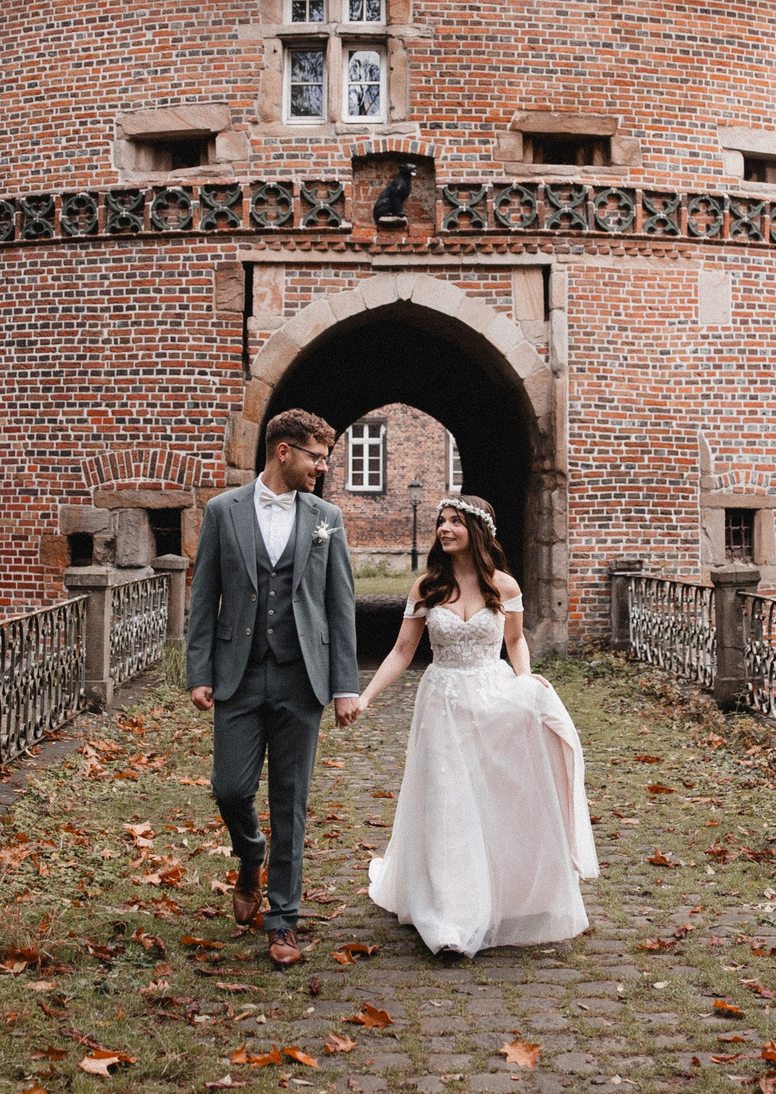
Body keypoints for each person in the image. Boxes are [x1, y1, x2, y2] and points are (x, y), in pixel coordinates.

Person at [354, 494, 596, 957]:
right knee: (447, 803)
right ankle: (449, 918)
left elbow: (515, 640)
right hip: (442, 703)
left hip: (491, 698)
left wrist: (525, 682)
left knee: (490, 799)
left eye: (455, 522)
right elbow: (403, 651)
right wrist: (367, 696)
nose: (444, 529)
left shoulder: (503, 585)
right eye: (441, 521)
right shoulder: (427, 587)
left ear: (478, 531)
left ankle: (501, 892)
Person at [185, 408, 362, 965]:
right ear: (284, 452)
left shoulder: (327, 517)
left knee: (291, 802)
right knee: (230, 789)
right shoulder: (223, 510)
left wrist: (345, 686)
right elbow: (204, 596)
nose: (323, 468)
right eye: (316, 457)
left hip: (300, 676)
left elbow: (340, 606)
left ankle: (283, 921)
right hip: (237, 674)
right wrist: (200, 671)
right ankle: (250, 854)